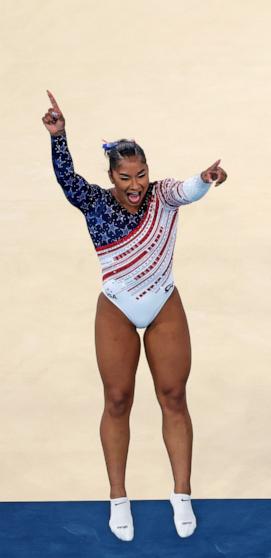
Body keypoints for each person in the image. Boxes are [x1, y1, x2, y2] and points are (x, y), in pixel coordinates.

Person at [42, 91, 228, 541]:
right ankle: (118, 497)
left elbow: (189, 188)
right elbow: (67, 180)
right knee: (118, 400)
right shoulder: (95, 203)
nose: (135, 184)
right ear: (111, 176)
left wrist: (206, 177)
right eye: (125, 177)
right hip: (117, 307)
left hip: (163, 301)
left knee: (173, 395)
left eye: (141, 174)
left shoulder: (163, 195)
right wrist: (58, 137)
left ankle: (181, 494)